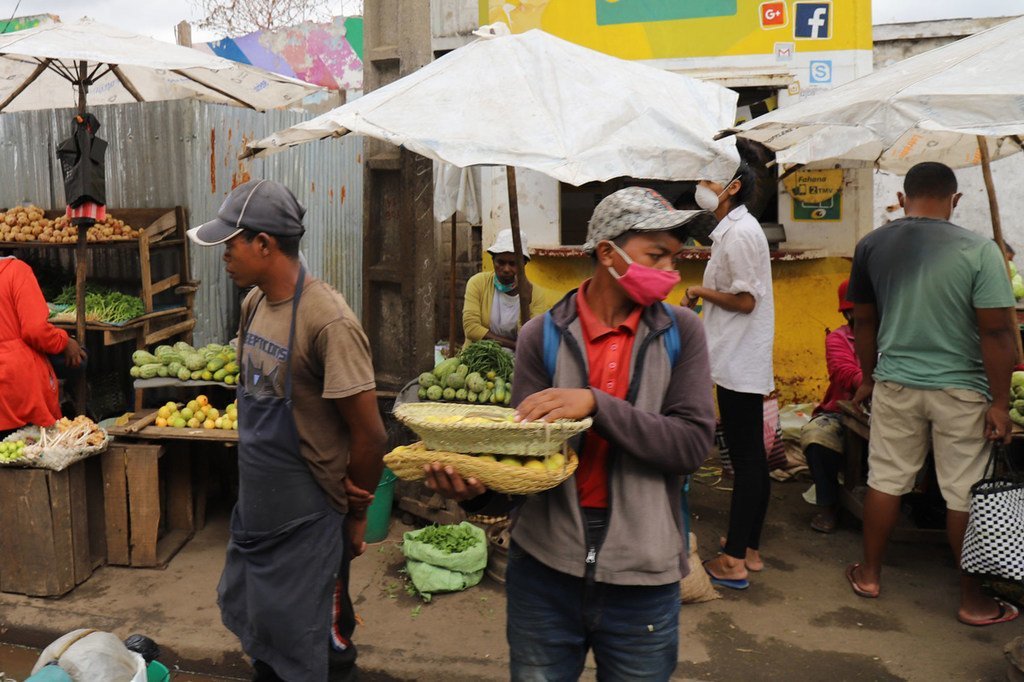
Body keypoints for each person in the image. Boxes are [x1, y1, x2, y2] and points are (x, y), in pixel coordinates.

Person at [426, 186, 715, 681]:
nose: (671, 271)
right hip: (544, 573)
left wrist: (597, 405)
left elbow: (690, 446)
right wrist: (475, 493)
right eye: (657, 255)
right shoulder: (542, 336)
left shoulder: (682, 332)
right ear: (608, 253)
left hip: (643, 578)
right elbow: (520, 463)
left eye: (676, 256)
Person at [188, 179, 389, 680]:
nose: (224, 256)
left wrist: (357, 515)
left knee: (322, 649)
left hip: (311, 524)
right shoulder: (254, 304)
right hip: (257, 514)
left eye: (229, 244)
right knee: (266, 640)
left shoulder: (328, 321)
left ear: (264, 244)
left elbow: (370, 436)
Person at [845, 161, 1019, 627]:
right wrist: (1001, 404)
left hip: (896, 383)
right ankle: (971, 600)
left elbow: (864, 321)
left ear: (902, 199)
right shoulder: (981, 250)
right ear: (955, 199)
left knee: (886, 478)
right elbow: (999, 331)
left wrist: (867, 377)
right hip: (962, 389)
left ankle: (869, 575)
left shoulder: (871, 245)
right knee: (964, 491)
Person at [683, 157, 775, 590]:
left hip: (739, 359)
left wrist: (700, 291)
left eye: (709, 179)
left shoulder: (739, 234)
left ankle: (733, 559)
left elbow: (745, 302)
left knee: (746, 459)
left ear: (733, 187)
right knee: (750, 456)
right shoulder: (734, 231)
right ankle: (749, 548)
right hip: (739, 356)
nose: (702, 186)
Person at [0, 255, 86, 437]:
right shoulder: (15, 271)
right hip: (15, 383)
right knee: (28, 452)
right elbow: (35, 330)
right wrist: (64, 341)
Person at [801, 279, 861, 534]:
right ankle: (828, 504)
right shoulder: (839, 339)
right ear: (848, 312)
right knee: (817, 437)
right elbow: (844, 373)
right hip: (841, 413)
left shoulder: (894, 335)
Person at [462, 228, 560, 350]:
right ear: (493, 260)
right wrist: (513, 345)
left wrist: (526, 302)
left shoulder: (535, 293)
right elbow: (471, 328)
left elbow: (533, 337)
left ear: (523, 264)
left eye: (513, 264)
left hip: (516, 360)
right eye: (501, 262)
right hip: (478, 357)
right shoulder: (477, 283)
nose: (506, 269)